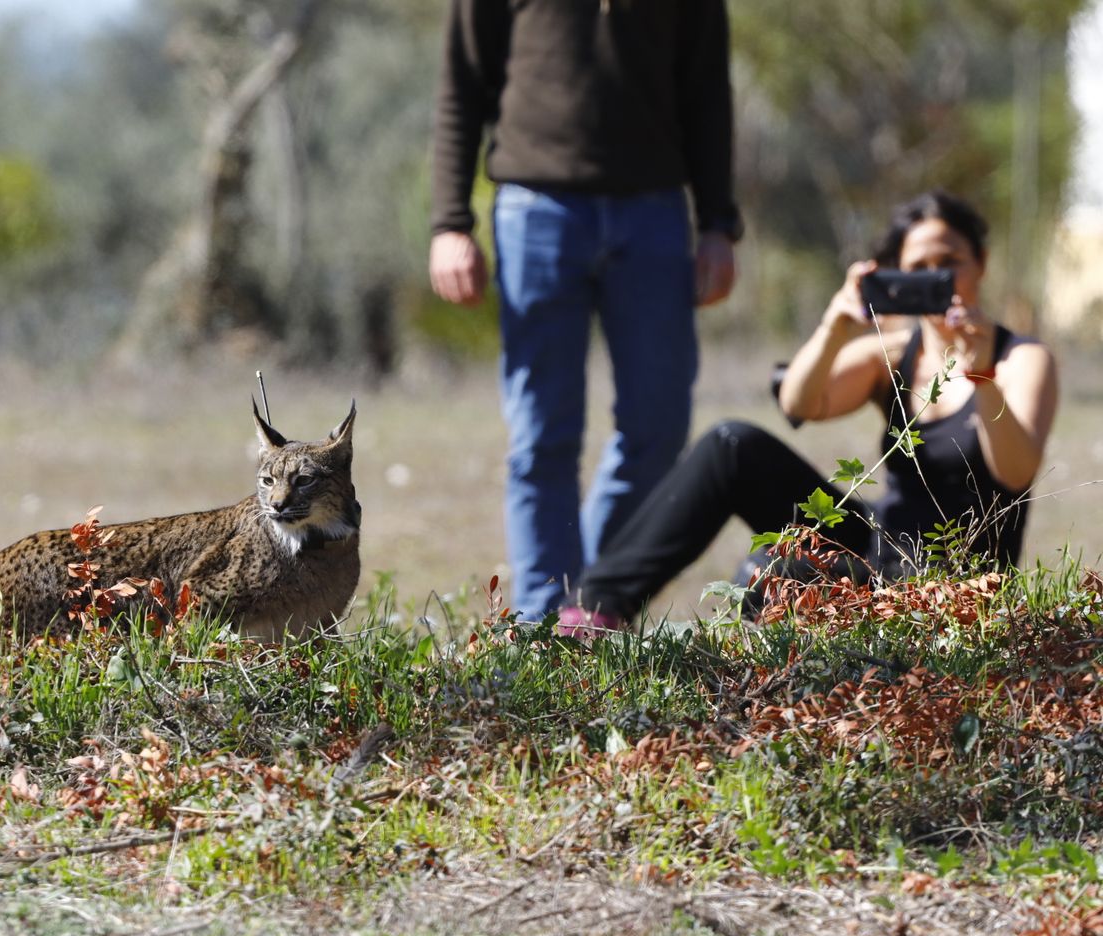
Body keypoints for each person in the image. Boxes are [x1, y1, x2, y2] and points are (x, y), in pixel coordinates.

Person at [558, 190, 1061, 636]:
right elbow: (799, 402)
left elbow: (1015, 471)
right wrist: (836, 325)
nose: (936, 278)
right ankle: (593, 613)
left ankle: (745, 676)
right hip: (878, 551)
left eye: (950, 262)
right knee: (733, 444)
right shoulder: (890, 353)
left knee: (777, 567)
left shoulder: (1021, 360)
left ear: (982, 263)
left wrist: (980, 375)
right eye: (918, 268)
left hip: (955, 585)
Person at [429, 0, 742, 622]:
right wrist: (449, 223)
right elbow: (461, 86)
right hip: (536, 210)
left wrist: (717, 224)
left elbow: (707, 90)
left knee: (659, 428)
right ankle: (546, 620)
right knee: (542, 435)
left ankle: (587, 600)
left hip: (653, 215)